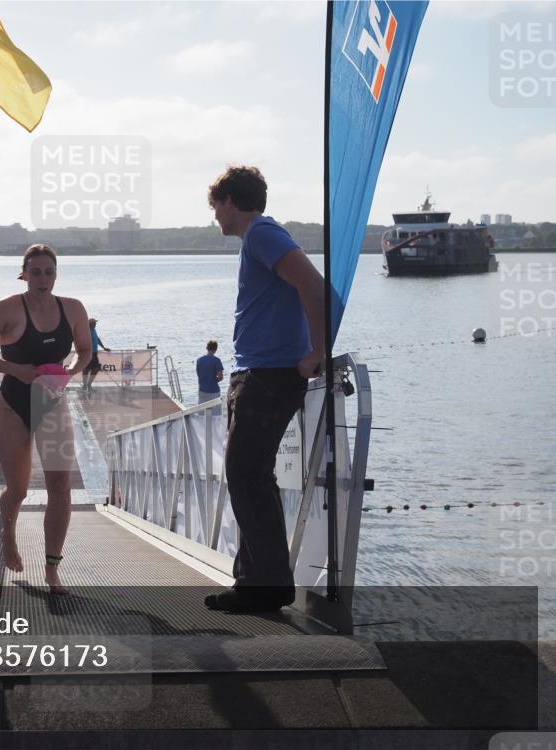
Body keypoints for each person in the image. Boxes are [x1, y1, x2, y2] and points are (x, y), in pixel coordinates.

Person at [204, 166, 325, 614]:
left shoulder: (262, 234)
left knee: (246, 476)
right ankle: (256, 581)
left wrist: (317, 349)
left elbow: (312, 284)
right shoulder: (259, 238)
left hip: (269, 376)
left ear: (231, 201)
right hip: (257, 373)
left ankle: (265, 586)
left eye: (216, 205)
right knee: (251, 477)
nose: (214, 215)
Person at [0, 244, 93, 595]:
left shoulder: (73, 309)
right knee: (19, 490)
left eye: (49, 272)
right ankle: (8, 534)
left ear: (56, 274)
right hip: (12, 405)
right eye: (35, 272)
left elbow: (85, 351)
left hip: (51, 401)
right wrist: (14, 369)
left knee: (61, 489)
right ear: (24, 274)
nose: (43, 279)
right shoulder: (7, 309)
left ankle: (52, 570)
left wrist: (70, 372)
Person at [81, 318, 111, 396]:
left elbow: (97, 339)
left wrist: (103, 347)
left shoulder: (94, 330)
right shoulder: (86, 331)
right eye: (94, 323)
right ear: (90, 324)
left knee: (96, 368)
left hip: (95, 353)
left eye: (95, 323)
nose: (95, 324)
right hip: (89, 353)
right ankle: (84, 386)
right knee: (86, 369)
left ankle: (89, 384)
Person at [196, 340, 225, 413]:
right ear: (216, 349)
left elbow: (198, 374)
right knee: (216, 415)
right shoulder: (217, 360)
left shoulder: (199, 360)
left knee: (201, 414)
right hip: (213, 391)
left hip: (202, 390)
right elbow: (220, 377)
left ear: (207, 348)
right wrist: (215, 379)